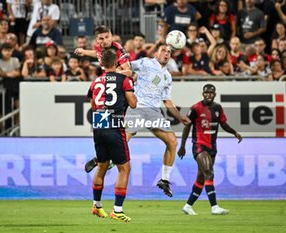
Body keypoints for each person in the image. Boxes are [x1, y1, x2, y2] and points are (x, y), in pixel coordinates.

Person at [85, 43, 191, 198]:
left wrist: (180, 117)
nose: (167, 54)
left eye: (169, 52)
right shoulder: (146, 62)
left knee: (172, 142)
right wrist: (125, 73)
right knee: (122, 141)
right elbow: (124, 67)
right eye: (163, 51)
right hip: (138, 107)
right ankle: (100, 160)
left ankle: (164, 180)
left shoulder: (168, 76)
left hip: (154, 112)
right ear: (156, 53)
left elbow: (167, 101)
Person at [177, 84, 242, 215]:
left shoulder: (218, 108)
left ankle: (188, 206)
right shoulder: (195, 108)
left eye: (211, 93)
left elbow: (223, 124)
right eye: (206, 93)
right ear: (203, 94)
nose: (208, 95)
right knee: (209, 173)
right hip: (200, 146)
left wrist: (235, 133)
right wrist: (182, 145)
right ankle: (214, 207)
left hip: (213, 147)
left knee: (202, 178)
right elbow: (187, 127)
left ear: (214, 95)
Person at [89, 49, 137, 222]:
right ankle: (117, 210)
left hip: (98, 124)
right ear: (117, 63)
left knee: (102, 166)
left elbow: (93, 104)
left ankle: (97, 205)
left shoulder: (95, 82)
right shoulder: (123, 79)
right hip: (114, 125)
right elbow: (133, 104)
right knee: (124, 168)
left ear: (102, 64)